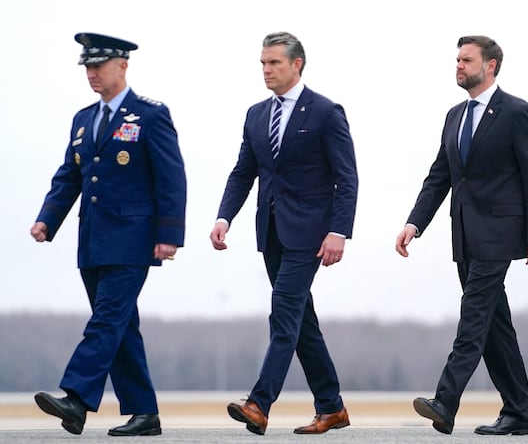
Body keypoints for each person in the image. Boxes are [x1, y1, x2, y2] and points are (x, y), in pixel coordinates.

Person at [30, 33, 187, 437]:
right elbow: (70, 176)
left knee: (105, 321)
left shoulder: (149, 115)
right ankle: (144, 413)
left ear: (123, 66)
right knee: (120, 327)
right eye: (87, 67)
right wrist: (48, 218)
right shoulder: (84, 119)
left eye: (98, 66)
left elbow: (171, 178)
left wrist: (169, 234)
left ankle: (77, 398)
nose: (92, 74)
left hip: (133, 239)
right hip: (92, 241)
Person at [395, 35, 528, 435]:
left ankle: (446, 401)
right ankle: (518, 411)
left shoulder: (517, 113)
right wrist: (415, 222)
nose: (459, 66)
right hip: (464, 236)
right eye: (457, 60)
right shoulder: (454, 116)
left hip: (501, 233)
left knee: (474, 317)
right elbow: (440, 176)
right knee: (496, 326)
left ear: (491, 66)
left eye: (466, 60)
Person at [210, 31, 358, 436]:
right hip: (271, 232)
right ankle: (332, 407)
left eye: (274, 63)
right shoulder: (256, 114)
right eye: (262, 63)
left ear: (297, 64)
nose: (266, 70)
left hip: (310, 235)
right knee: (301, 322)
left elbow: (347, 179)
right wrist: (225, 217)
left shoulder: (326, 112)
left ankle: (259, 404)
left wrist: (338, 231)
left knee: (284, 315)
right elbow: (244, 172)